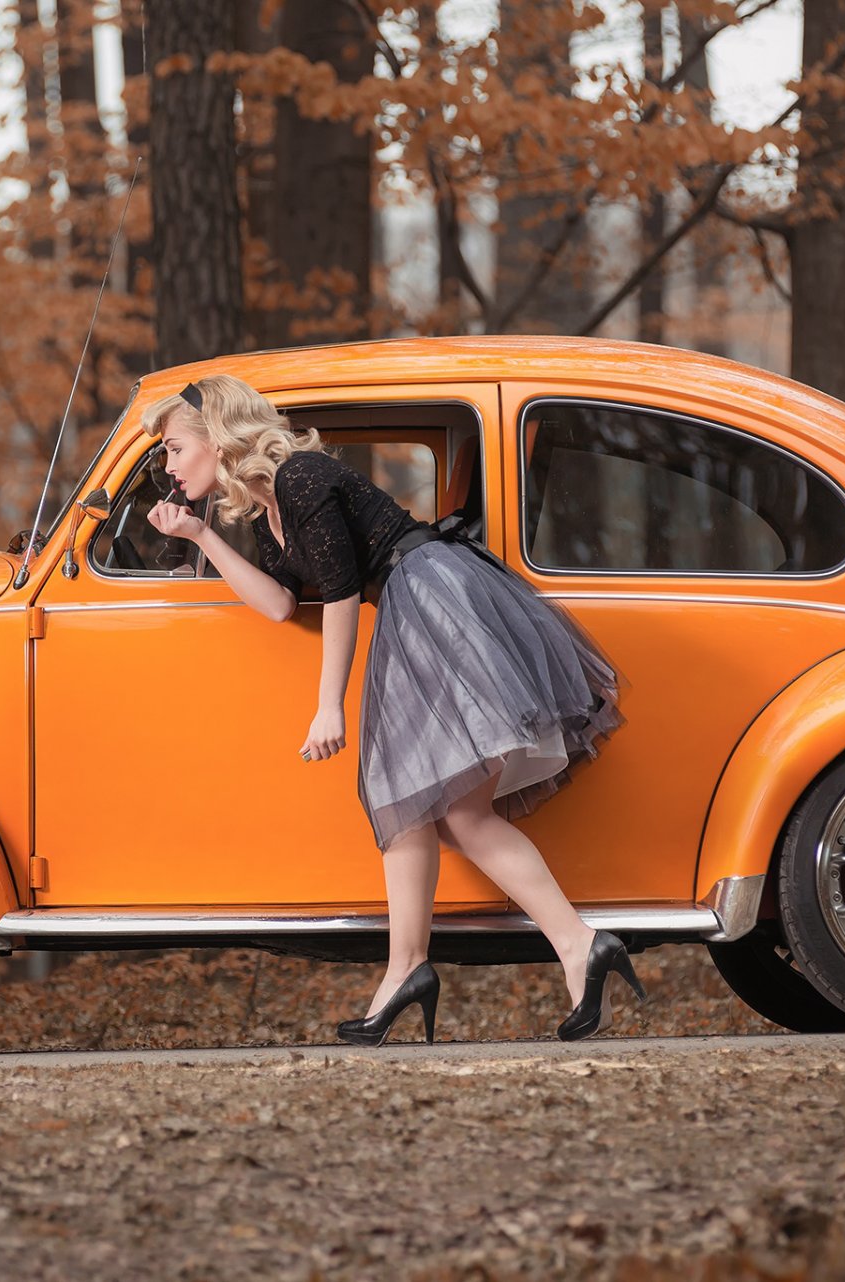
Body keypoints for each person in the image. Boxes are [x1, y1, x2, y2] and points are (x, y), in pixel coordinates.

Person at [140, 373, 639, 1044]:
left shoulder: (301, 476)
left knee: (458, 810)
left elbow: (343, 592)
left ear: (216, 437)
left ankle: (576, 944)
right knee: (406, 799)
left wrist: (329, 708)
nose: (168, 466)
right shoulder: (267, 506)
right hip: (413, 606)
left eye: (174, 448)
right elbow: (280, 603)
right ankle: (413, 967)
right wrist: (200, 538)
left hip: (432, 597)